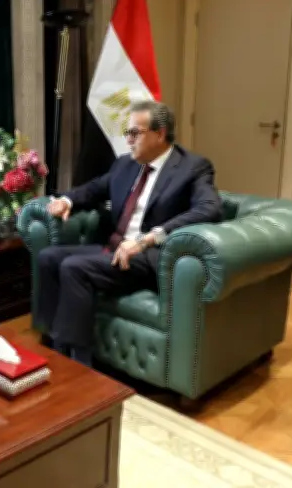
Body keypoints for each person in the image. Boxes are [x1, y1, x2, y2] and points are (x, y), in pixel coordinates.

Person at [41, 100, 223, 367]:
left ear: (160, 133)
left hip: (149, 256)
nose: (128, 140)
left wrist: (149, 238)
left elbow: (210, 208)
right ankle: (51, 343)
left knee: (75, 267)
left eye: (135, 133)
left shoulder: (192, 168)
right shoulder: (126, 164)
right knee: (48, 258)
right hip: (114, 248)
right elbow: (95, 188)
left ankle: (77, 364)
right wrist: (66, 201)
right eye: (127, 133)